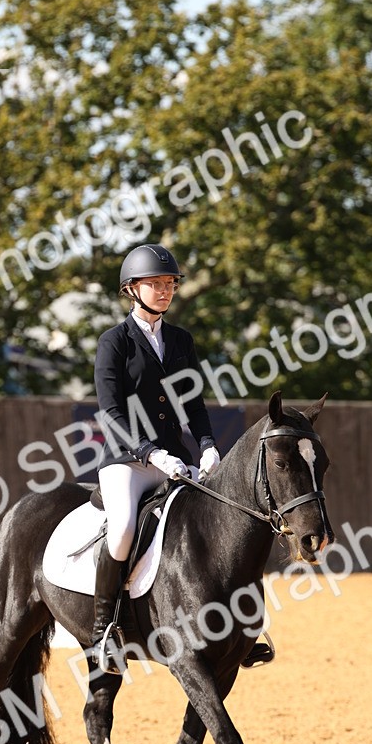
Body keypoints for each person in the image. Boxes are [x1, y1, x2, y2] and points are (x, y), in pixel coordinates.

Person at [91, 243, 221, 672]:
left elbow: (194, 404)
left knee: (218, 521)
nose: (165, 291)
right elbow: (110, 412)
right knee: (125, 527)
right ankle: (103, 631)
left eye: (170, 283)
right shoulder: (115, 342)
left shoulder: (181, 341)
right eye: (155, 284)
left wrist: (206, 445)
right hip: (127, 462)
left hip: (175, 458)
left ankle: (238, 628)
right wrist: (149, 453)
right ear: (132, 289)